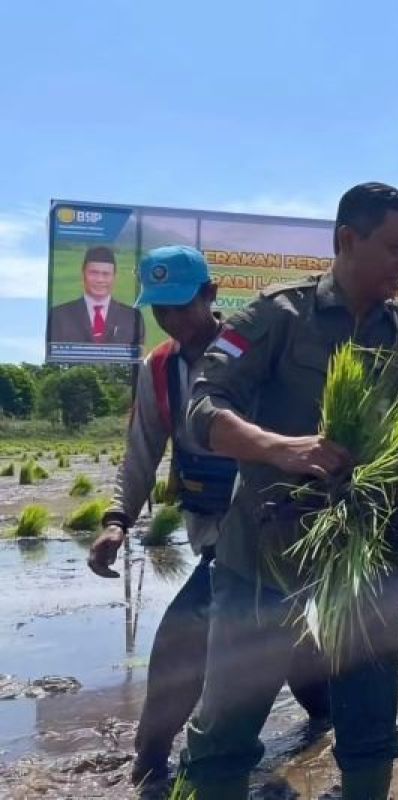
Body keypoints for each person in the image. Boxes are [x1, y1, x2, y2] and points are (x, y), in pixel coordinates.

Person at [181, 183, 398, 800]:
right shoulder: (278, 315)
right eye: (394, 248)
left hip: (365, 556)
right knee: (225, 729)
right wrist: (280, 447)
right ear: (345, 241)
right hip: (264, 553)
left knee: (369, 725)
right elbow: (204, 406)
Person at [86, 246, 331, 786]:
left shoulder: (256, 352)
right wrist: (117, 519)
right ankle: (326, 724)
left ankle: (149, 763)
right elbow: (142, 449)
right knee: (292, 650)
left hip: (273, 527)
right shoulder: (158, 371)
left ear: (211, 295)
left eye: (181, 306)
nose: (172, 320)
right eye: (160, 310)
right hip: (211, 530)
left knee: (181, 639)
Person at [48, 245, 145, 346]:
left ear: (114, 277)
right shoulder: (59, 316)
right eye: (94, 273)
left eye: (106, 274)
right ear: (83, 274)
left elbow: (137, 358)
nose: (100, 280)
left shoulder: (133, 318)